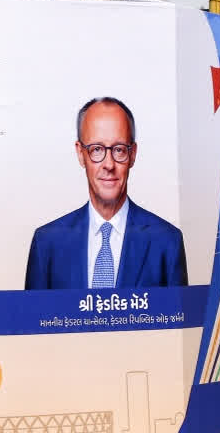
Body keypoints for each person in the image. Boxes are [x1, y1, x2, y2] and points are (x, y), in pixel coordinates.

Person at [24, 97, 187, 290]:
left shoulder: (167, 242)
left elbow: (180, 320)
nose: (108, 164)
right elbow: (35, 319)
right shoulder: (46, 244)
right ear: (80, 154)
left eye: (119, 150)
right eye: (97, 149)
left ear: (133, 154)